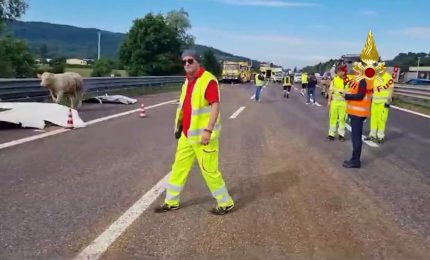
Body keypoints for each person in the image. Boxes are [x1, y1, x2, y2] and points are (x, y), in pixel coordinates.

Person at [155, 49, 235, 215]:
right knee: (178, 168)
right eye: (184, 61)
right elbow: (185, 107)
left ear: (198, 61)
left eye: (190, 61)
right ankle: (171, 202)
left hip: (203, 137)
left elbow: (215, 105)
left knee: (209, 170)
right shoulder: (187, 81)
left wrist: (208, 130)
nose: (186, 64)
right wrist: (179, 127)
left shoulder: (208, 80)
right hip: (187, 135)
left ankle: (225, 202)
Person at [364, 71, 394, 143]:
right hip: (375, 102)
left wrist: (389, 99)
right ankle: (372, 135)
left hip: (384, 102)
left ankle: (380, 136)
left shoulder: (388, 76)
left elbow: (391, 88)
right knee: (373, 119)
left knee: (382, 120)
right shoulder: (374, 77)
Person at [327, 65, 348, 141]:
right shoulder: (334, 80)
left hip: (343, 102)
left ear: (343, 72)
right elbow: (330, 91)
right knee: (333, 118)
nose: (338, 72)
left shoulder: (347, 81)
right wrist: (329, 101)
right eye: (338, 71)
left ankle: (341, 135)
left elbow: (350, 92)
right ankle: (331, 134)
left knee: (343, 119)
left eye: (340, 71)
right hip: (335, 102)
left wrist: (345, 94)